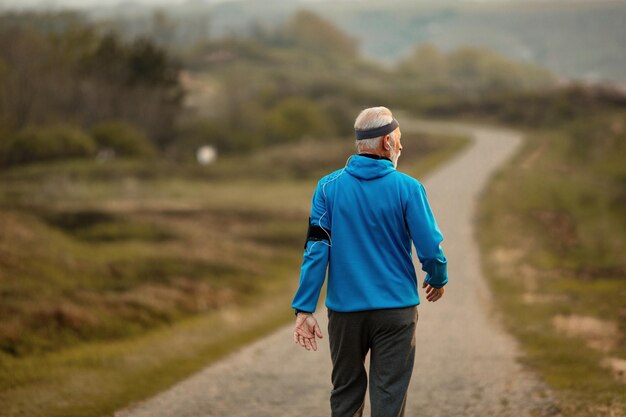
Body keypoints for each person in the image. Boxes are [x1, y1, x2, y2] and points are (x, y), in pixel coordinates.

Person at [291, 106, 448, 417]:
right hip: (396, 311)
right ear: (387, 142)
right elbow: (429, 247)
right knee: (389, 397)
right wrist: (437, 276)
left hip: (346, 314)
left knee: (346, 395)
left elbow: (317, 249)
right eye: (399, 139)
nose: (401, 146)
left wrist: (305, 307)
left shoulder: (327, 188)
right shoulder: (409, 188)